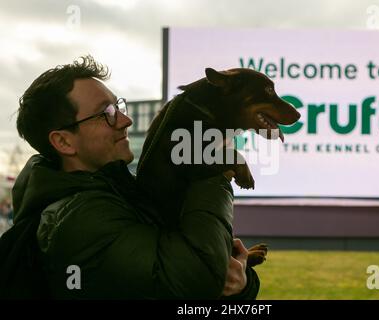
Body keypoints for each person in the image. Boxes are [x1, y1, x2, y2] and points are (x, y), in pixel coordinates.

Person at [8, 55, 260, 299]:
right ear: (63, 141)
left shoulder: (118, 192)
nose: (125, 120)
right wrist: (211, 171)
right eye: (105, 113)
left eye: (118, 106)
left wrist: (241, 282)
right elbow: (197, 280)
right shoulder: (78, 220)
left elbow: (197, 273)